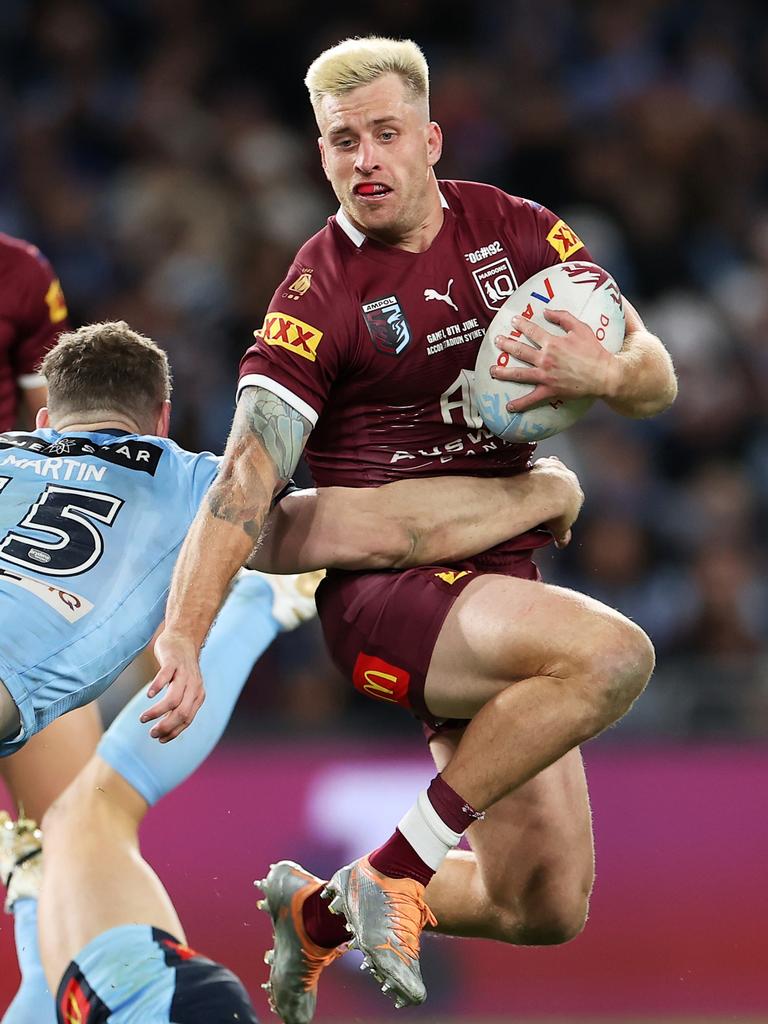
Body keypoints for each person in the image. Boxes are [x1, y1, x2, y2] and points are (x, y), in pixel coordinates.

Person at [147, 34, 678, 1017]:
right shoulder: (318, 294)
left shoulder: (514, 231)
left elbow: (653, 367)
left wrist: (606, 374)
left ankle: (321, 915)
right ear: (321, 156)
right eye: (342, 141)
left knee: (545, 902)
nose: (365, 160)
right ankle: (390, 869)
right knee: (612, 656)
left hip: (499, 586)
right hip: (388, 602)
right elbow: (247, 475)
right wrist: (182, 631)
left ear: (432, 140)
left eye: (386, 134)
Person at [0, 329, 585, 1023]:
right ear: (162, 418)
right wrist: (538, 491)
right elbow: (395, 530)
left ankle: (40, 899)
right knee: (88, 822)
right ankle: (260, 604)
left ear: (43, 419)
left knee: (84, 825)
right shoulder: (194, 485)